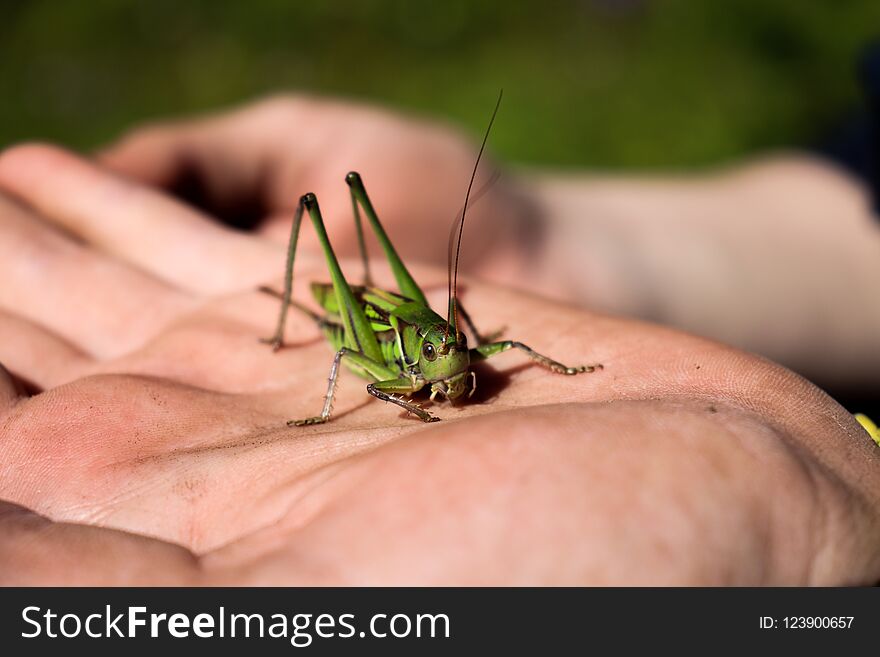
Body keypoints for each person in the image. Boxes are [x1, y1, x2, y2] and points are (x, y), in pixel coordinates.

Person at [0, 96, 877, 585]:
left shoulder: (462, 351)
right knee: (339, 266)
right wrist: (349, 400)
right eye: (454, 368)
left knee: (446, 309)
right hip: (365, 324)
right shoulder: (391, 355)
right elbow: (351, 359)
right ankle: (279, 317)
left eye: (462, 365)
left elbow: (472, 339)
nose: (462, 375)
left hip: (410, 311)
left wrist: (546, 350)